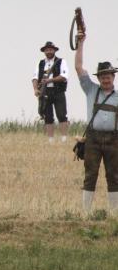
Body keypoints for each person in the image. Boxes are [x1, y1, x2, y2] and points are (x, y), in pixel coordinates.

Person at [73, 31, 118, 210]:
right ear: (98, 78)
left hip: (114, 140)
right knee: (90, 175)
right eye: (102, 76)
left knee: (114, 176)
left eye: (108, 76)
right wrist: (81, 43)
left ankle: (114, 214)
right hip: (92, 139)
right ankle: (86, 213)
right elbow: (78, 67)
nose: (105, 79)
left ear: (113, 77)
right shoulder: (90, 90)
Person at [32, 41, 70, 143]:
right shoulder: (40, 63)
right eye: (47, 49)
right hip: (45, 92)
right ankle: (50, 140)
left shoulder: (61, 61)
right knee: (48, 117)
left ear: (54, 50)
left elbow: (64, 76)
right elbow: (35, 78)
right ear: (44, 51)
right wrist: (35, 89)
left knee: (62, 115)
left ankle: (64, 139)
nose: (49, 51)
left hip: (58, 91)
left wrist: (50, 80)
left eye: (51, 49)